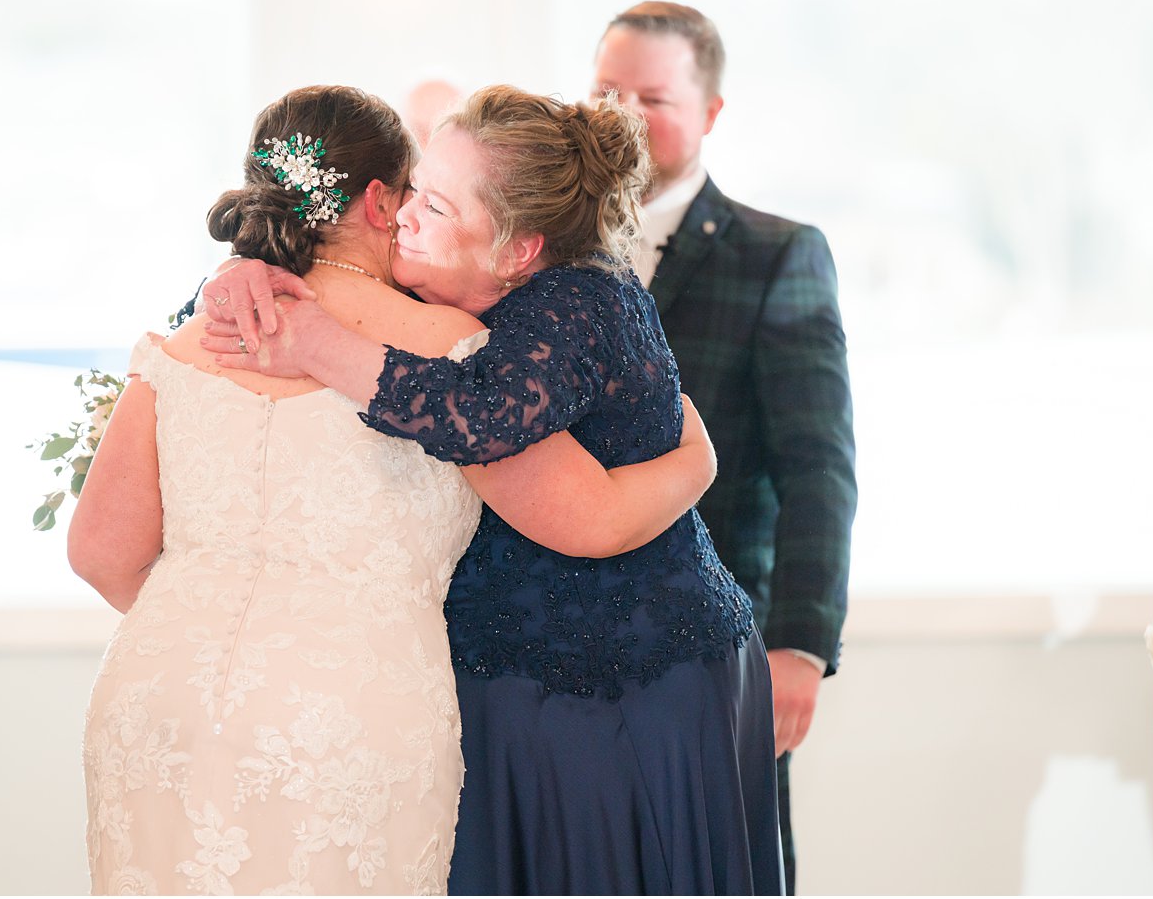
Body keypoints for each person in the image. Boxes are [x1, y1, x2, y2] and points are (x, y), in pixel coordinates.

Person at [69, 85, 722, 895]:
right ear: (379, 200)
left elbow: (99, 552)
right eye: (414, 190)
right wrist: (697, 459)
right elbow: (583, 513)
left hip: (155, 697)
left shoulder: (191, 336)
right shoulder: (454, 347)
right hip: (351, 707)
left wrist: (213, 625)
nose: (417, 211)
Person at [591, 0, 857, 893]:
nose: (621, 115)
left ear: (709, 113)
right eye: (605, 90)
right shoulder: (541, 252)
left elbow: (818, 465)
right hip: (553, 643)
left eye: (653, 97)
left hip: (713, 646)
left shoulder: (778, 254)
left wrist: (799, 646)